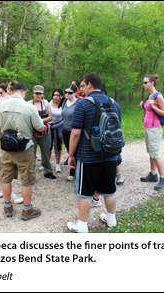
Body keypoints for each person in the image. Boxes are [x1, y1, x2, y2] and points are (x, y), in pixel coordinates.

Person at [67, 72, 118, 233]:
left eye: (82, 86)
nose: (81, 90)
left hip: (88, 155)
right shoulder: (114, 103)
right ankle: (111, 219)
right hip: (110, 154)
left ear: (90, 84)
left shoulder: (83, 104)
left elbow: (75, 133)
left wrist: (70, 155)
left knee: (85, 192)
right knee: (110, 189)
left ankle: (82, 225)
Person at [0, 83, 46, 220]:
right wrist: (44, 127)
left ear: (11, 91)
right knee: (26, 179)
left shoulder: (0, 106)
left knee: (6, 178)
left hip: (7, 149)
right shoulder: (29, 107)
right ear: (24, 92)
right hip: (24, 149)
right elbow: (40, 127)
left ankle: (7, 207)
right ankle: (27, 210)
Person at [140, 74, 164, 190]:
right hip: (147, 127)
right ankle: (153, 174)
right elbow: (149, 110)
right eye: (143, 82)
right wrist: (144, 105)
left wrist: (153, 106)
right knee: (151, 152)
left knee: (155, 154)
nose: (144, 85)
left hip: (154, 128)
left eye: (145, 82)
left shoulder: (158, 96)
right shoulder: (150, 96)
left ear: (152, 83)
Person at [28, 85, 56, 179]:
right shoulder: (28, 104)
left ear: (43, 94)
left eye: (40, 93)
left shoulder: (46, 104)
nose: (38, 95)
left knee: (45, 152)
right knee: (32, 153)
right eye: (36, 93)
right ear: (33, 94)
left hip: (45, 131)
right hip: (32, 132)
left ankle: (48, 171)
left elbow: (50, 117)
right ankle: (30, 173)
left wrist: (39, 122)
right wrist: (37, 123)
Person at [61, 84, 79, 181]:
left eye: (70, 92)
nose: (67, 94)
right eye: (66, 92)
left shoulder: (79, 103)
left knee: (75, 152)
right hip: (65, 131)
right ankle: (73, 170)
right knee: (69, 152)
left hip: (74, 131)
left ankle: (75, 172)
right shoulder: (64, 102)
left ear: (75, 93)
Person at [48, 89, 64, 174]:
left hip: (59, 127)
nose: (56, 97)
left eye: (58, 95)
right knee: (48, 146)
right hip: (49, 127)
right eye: (54, 95)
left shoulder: (63, 105)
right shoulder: (48, 103)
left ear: (61, 96)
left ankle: (57, 164)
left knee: (58, 146)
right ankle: (47, 163)